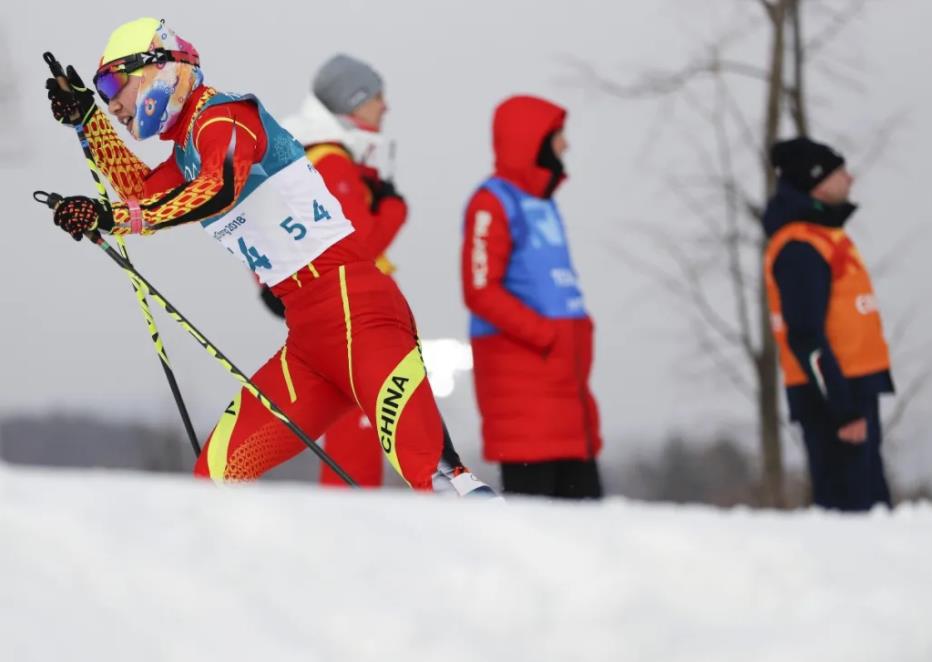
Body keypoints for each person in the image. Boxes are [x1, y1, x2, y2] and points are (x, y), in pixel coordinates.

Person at [43, 17, 492, 497]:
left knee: (441, 480)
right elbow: (141, 194)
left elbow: (218, 189)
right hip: (308, 343)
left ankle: (522, 563)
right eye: (102, 91)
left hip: (357, 311)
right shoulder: (188, 150)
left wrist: (112, 217)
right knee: (214, 479)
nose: (113, 103)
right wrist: (88, 123)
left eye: (115, 84)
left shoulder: (223, 115)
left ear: (160, 70)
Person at [255, 54, 407, 488]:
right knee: (356, 416)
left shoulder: (308, 153)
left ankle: (344, 511)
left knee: (346, 410)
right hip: (348, 308)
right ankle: (352, 517)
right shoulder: (332, 161)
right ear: (353, 101)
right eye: (377, 97)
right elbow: (356, 245)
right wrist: (394, 207)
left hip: (324, 303)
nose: (385, 107)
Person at [460, 95, 603, 499]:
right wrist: (547, 336)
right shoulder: (492, 202)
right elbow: (480, 290)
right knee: (541, 539)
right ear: (533, 140)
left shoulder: (543, 204)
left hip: (567, 397)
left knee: (591, 534)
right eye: (559, 135)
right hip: (527, 401)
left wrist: (578, 333)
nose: (565, 145)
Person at [764, 136, 894, 511]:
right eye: (840, 172)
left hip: (854, 392)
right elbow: (805, 336)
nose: (850, 179)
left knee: (874, 516)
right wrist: (843, 409)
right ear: (815, 180)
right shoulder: (800, 248)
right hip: (836, 403)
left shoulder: (826, 238)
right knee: (853, 518)